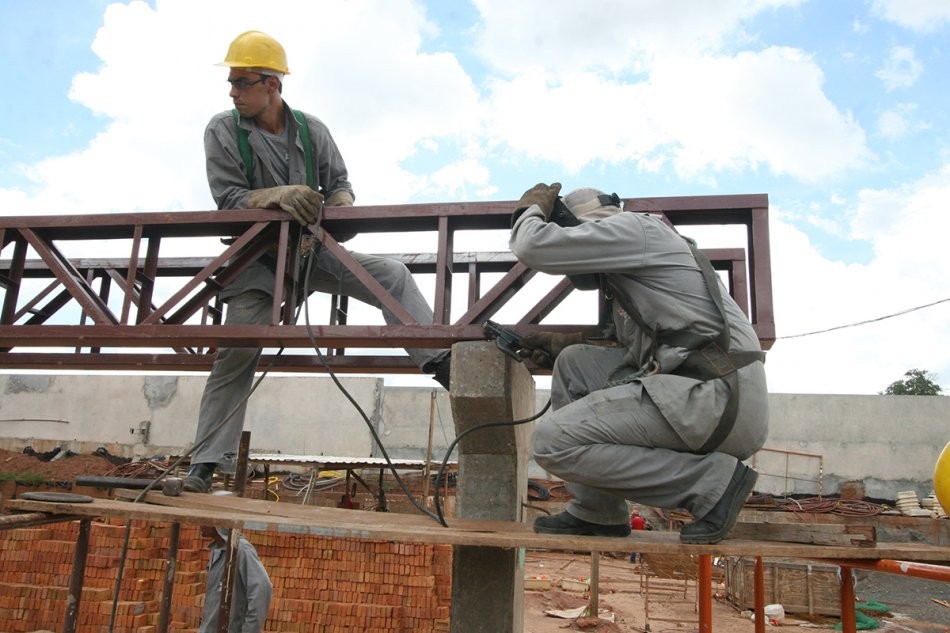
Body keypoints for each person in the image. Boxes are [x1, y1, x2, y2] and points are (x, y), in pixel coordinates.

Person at [184, 31, 450, 492]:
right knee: (238, 351)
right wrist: (278, 195)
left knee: (392, 276)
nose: (233, 92)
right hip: (259, 259)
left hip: (311, 250)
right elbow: (228, 200)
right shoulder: (223, 130)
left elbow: (341, 182)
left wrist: (342, 207)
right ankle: (206, 463)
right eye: (231, 82)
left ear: (272, 85)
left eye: (242, 82)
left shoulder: (311, 130)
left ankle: (444, 367)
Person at [509, 183, 768, 544]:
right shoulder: (629, 272)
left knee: (553, 443)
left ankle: (713, 484)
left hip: (719, 396)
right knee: (574, 363)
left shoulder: (633, 229)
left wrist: (529, 210)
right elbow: (642, 355)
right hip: (707, 388)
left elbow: (532, 246)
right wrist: (559, 345)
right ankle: (596, 511)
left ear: (578, 224)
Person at [198, 526, 272, 633]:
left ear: (218, 523)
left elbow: (262, 589)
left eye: (205, 518)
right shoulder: (217, 550)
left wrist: (249, 630)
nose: (200, 524)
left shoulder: (240, 548)